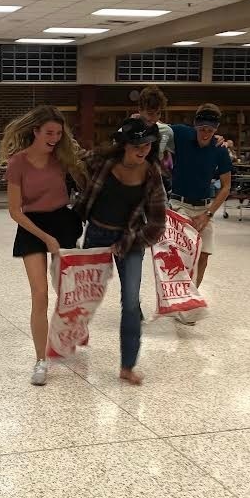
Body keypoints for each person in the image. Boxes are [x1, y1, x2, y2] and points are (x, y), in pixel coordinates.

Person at [0, 105, 87, 386]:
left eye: (58, 134)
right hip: (31, 226)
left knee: (67, 291)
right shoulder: (18, 163)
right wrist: (46, 238)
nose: (54, 138)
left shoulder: (63, 158)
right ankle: (40, 360)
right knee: (39, 294)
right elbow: (15, 210)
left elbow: (87, 184)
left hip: (63, 221)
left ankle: (71, 329)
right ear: (35, 131)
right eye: (49, 132)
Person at [75, 118, 166, 386]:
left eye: (148, 144)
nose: (143, 150)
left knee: (130, 302)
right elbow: (72, 160)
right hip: (97, 234)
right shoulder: (100, 163)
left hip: (131, 240)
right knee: (85, 293)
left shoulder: (151, 174)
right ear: (124, 144)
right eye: (137, 144)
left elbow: (158, 224)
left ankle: (128, 365)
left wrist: (127, 243)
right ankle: (79, 328)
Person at [170, 104, 232, 317]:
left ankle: (189, 297)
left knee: (204, 255)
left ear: (216, 130)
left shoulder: (220, 149)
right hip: (180, 204)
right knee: (185, 253)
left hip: (205, 207)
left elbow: (226, 186)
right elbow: (155, 128)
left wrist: (208, 214)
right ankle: (180, 298)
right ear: (195, 125)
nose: (205, 133)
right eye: (202, 128)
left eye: (211, 130)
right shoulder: (180, 133)